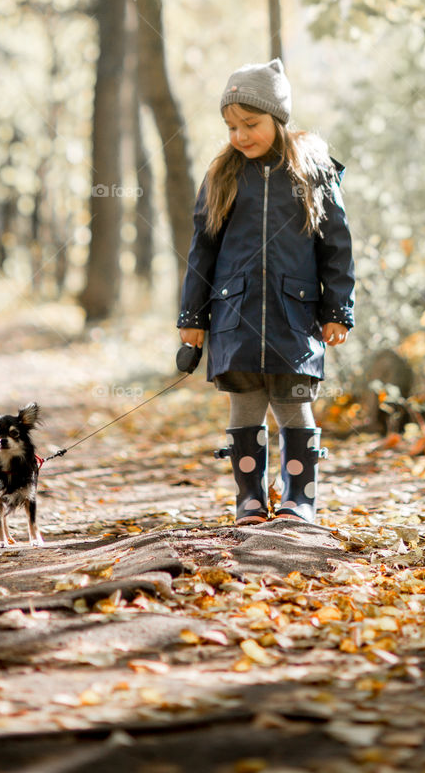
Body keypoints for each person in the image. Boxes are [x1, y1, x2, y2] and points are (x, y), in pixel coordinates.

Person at [177, 58, 355, 525]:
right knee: (246, 405)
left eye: (250, 124)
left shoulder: (314, 170)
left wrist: (338, 307)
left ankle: (301, 500)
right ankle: (249, 500)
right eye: (231, 126)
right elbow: (202, 251)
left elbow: (336, 244)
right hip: (234, 313)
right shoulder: (223, 175)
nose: (239, 136)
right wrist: (192, 318)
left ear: (278, 118)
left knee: (294, 401)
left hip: (293, 314)